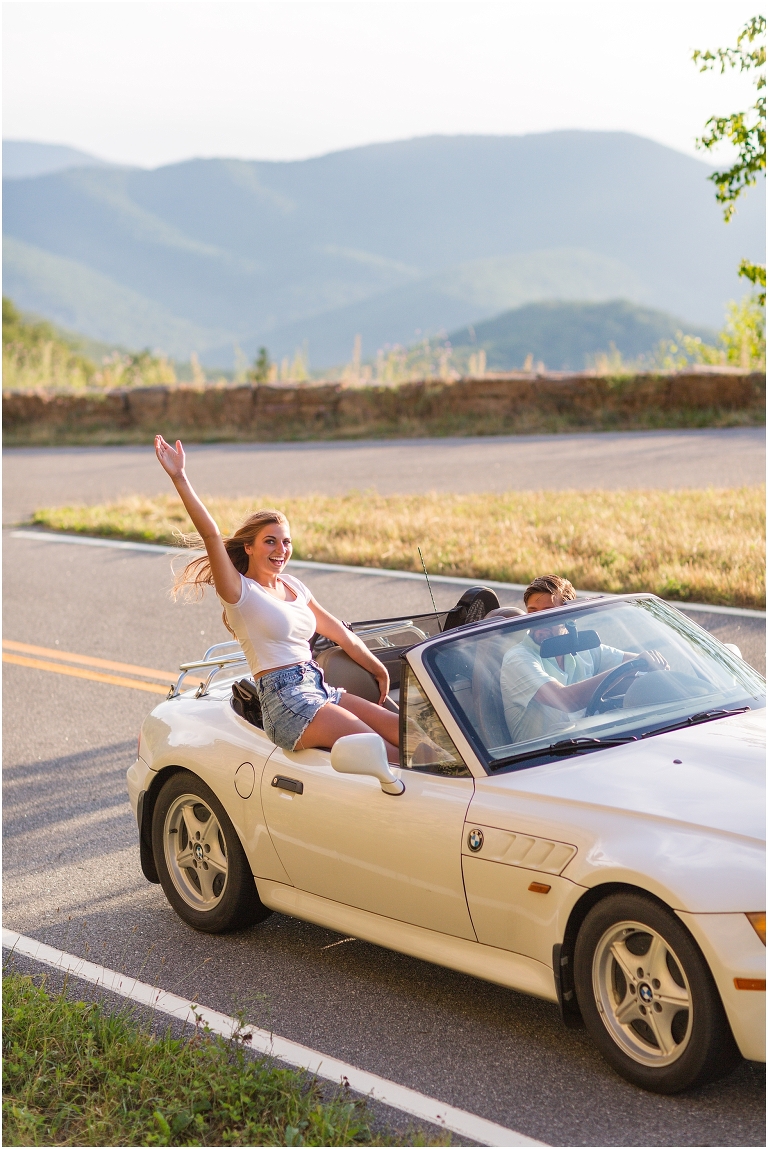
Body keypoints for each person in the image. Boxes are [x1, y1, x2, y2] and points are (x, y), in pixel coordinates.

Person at [155, 436, 400, 761]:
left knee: (409, 735)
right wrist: (179, 477)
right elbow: (211, 534)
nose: (280, 549)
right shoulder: (239, 592)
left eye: (286, 542)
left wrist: (378, 668)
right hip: (287, 703)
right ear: (248, 547)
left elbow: (342, 635)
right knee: (386, 753)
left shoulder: (294, 586)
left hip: (320, 689)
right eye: (270, 541)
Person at [500, 574, 669, 743]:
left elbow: (639, 661)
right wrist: (629, 669)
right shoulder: (518, 658)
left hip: (590, 745)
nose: (538, 621)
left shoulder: (582, 648)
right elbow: (566, 700)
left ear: (570, 617)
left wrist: (653, 663)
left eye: (548, 612)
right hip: (541, 755)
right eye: (532, 612)